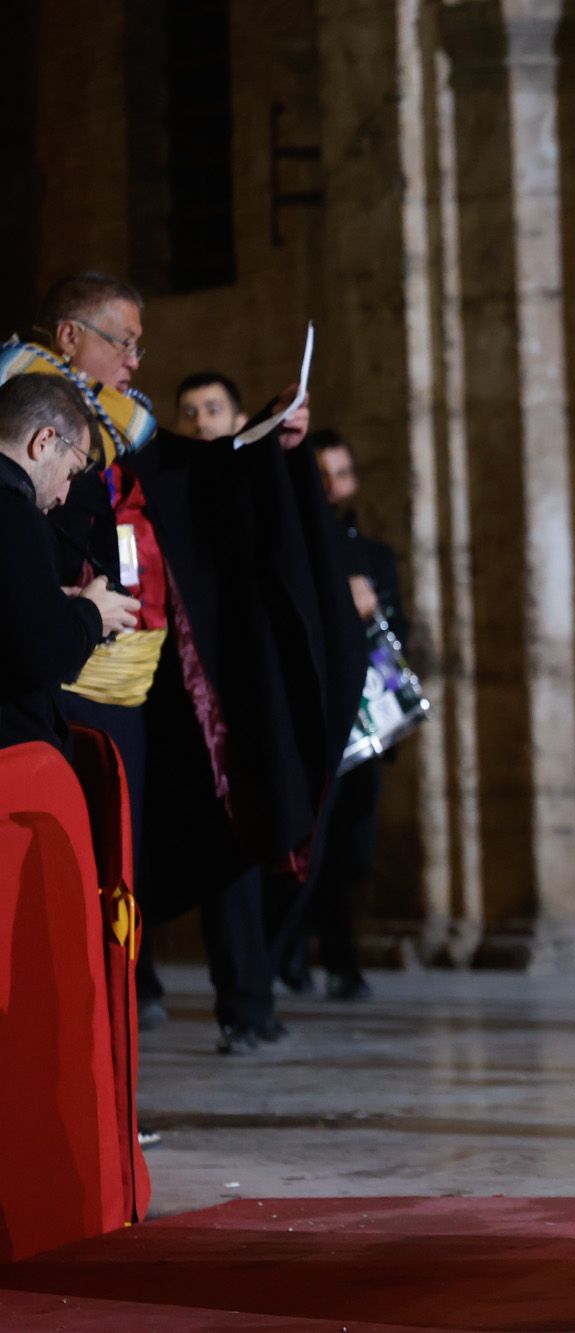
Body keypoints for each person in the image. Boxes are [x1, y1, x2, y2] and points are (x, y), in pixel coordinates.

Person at [12, 271, 366, 1054]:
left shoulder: (119, 419)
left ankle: (111, 1063)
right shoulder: (23, 403)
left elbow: (192, 477)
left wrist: (272, 436)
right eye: (124, 342)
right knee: (65, 878)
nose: (137, 361)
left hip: (135, 681)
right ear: (71, 337)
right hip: (54, 676)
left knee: (121, 869)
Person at [267, 429, 404, 1001]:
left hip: (366, 724)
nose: (333, 487)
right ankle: (303, 954)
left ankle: (327, 952)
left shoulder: (373, 556)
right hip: (312, 723)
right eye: (322, 474)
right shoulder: (292, 547)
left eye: (342, 474)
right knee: (310, 847)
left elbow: (399, 637)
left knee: (354, 851)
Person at [0, 375, 138, 756]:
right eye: (71, 474)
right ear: (43, 441)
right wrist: (92, 613)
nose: (63, 496)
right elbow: (43, 657)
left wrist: (52, 603)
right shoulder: (18, 515)